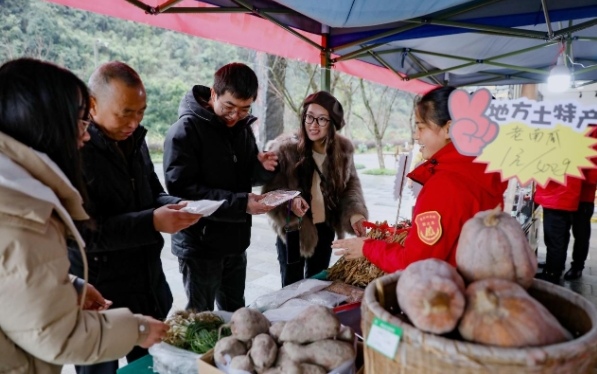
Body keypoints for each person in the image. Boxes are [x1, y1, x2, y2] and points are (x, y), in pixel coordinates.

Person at [0, 58, 168, 373]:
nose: (85, 133)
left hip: (138, 287)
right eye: (79, 119)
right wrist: (139, 330)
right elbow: (54, 334)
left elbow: (18, 283)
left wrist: (71, 286)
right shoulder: (18, 211)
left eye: (140, 113)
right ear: (44, 122)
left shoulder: (18, 188)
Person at [68, 61, 201, 374]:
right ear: (92, 105)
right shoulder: (74, 152)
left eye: (140, 111)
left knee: (151, 367)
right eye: (125, 112)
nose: (134, 121)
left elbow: (152, 193)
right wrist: (152, 221)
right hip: (100, 297)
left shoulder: (134, 142)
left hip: (145, 287)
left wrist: (179, 205)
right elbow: (83, 233)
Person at [332, 86, 508, 272]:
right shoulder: (482, 173)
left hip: (444, 294)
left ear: (449, 129)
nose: (416, 136)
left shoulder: (445, 185)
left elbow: (416, 265)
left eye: (421, 127)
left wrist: (367, 247)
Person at [163, 62, 278, 312]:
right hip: (201, 246)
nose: (235, 116)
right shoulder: (184, 131)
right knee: (201, 319)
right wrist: (240, 203)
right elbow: (182, 190)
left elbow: (245, 176)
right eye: (229, 106)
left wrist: (261, 167)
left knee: (236, 313)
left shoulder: (242, 130)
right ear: (213, 94)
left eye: (244, 109)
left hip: (235, 242)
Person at [262, 91, 368, 287]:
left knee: (317, 284)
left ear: (333, 124)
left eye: (321, 119)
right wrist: (290, 202)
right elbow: (271, 191)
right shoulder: (285, 148)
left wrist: (355, 215)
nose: (313, 124)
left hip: (325, 228)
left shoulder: (343, 150)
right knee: (290, 288)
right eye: (309, 117)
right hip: (294, 228)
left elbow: (351, 186)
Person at [535, 126, 597, 283]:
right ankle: (555, 265)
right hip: (568, 187)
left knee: (577, 232)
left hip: (578, 191)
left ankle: (574, 267)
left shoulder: (588, 125)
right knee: (560, 233)